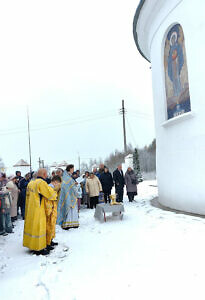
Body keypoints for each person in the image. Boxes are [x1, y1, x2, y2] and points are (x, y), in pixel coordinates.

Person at [23, 168, 57, 255]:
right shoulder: (41, 183)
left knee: (32, 228)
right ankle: (38, 248)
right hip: (38, 209)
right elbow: (50, 194)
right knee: (38, 228)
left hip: (30, 209)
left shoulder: (31, 183)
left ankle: (32, 245)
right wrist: (55, 191)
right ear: (45, 174)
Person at [57, 164, 80, 230]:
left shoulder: (67, 176)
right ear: (70, 169)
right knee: (69, 209)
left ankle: (73, 223)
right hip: (68, 195)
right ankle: (68, 224)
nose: (73, 170)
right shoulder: (66, 177)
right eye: (72, 169)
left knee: (72, 209)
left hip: (70, 194)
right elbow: (67, 185)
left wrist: (74, 184)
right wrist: (74, 185)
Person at [45, 175, 62, 249]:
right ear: (55, 182)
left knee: (52, 226)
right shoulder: (49, 188)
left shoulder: (52, 188)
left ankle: (50, 240)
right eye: (58, 184)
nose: (58, 185)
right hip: (50, 209)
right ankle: (47, 243)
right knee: (49, 226)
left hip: (53, 209)